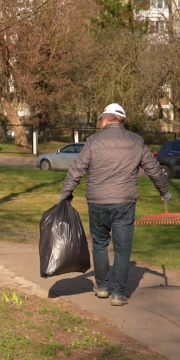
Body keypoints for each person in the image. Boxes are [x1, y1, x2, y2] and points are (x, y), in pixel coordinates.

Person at [59, 103, 170, 306]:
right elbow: (154, 169)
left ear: (106, 120)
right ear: (122, 121)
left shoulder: (93, 141)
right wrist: (164, 191)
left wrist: (65, 194)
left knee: (100, 244)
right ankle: (117, 294)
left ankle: (102, 287)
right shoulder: (136, 141)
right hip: (124, 203)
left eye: (101, 120)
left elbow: (77, 169)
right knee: (122, 249)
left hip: (97, 203)